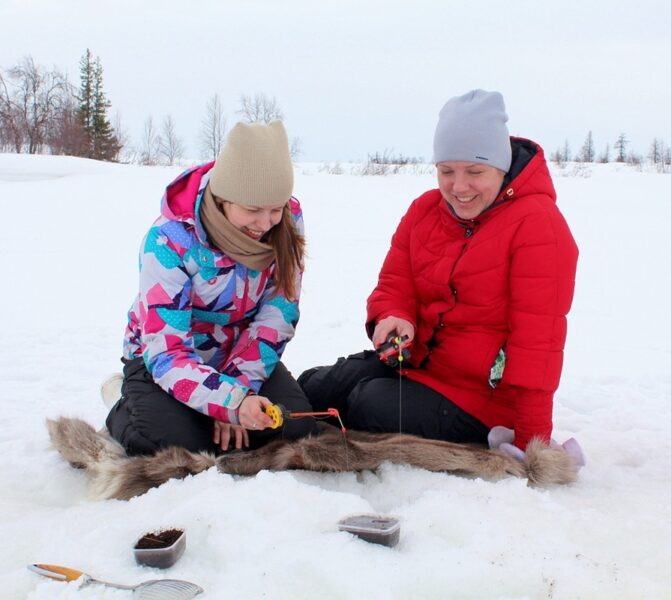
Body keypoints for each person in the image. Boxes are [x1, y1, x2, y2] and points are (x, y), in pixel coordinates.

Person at [299, 90, 579, 459]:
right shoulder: (425, 210)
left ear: (501, 165)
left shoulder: (539, 226)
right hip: (416, 368)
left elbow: (538, 343)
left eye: (475, 172)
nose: (459, 187)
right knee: (315, 386)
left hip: (482, 400)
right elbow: (395, 284)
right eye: (447, 171)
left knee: (367, 404)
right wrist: (393, 317)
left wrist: (532, 443)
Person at [105, 121, 316, 456]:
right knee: (176, 443)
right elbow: (167, 350)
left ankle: (201, 411)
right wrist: (229, 402)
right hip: (164, 359)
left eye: (275, 209)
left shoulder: (287, 221)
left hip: (241, 353)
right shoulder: (168, 240)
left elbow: (279, 312)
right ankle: (125, 401)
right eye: (252, 210)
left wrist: (240, 391)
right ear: (223, 197)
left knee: (294, 428)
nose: (265, 224)